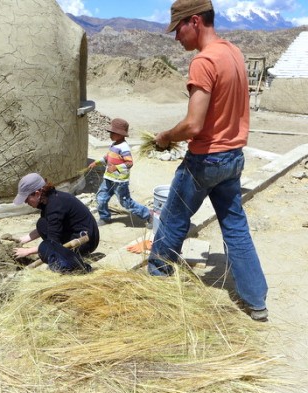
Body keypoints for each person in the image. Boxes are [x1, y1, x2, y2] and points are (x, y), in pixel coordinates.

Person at [147, 0, 268, 321]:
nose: (176, 38)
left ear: (195, 21)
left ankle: (154, 287)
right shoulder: (234, 53)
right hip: (232, 157)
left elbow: (194, 125)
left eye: (179, 29)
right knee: (235, 227)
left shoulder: (204, 61)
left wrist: (166, 136)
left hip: (204, 161)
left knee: (172, 221)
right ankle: (257, 302)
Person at [12, 173, 99, 273]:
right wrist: (21, 240)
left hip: (86, 240)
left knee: (47, 245)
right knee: (42, 224)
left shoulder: (54, 207)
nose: (26, 202)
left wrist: (27, 251)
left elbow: (53, 242)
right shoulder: (49, 199)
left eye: (26, 199)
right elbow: (48, 226)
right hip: (80, 232)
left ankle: (69, 261)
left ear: (37, 193)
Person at [88, 117, 151, 226]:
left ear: (121, 134)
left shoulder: (124, 147)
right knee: (101, 198)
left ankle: (148, 215)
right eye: (110, 132)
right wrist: (97, 162)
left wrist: (116, 168)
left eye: (113, 133)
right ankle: (105, 217)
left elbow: (129, 163)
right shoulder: (114, 145)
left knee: (126, 203)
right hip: (108, 179)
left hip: (120, 182)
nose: (110, 135)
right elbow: (107, 157)